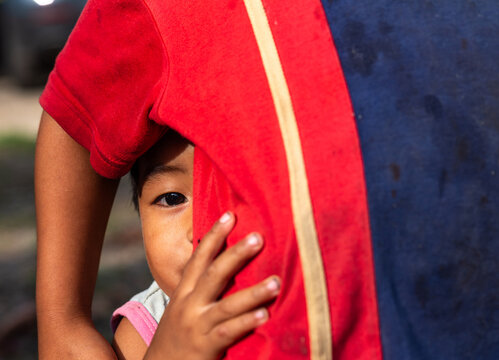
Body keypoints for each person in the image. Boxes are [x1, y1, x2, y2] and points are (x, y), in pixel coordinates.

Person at [36, 0, 499, 359]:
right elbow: (76, 106)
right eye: (171, 198)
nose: (203, 230)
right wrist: (70, 326)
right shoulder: (146, 325)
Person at [110, 130, 280, 359]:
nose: (202, 229)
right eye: (172, 199)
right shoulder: (143, 330)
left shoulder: (295, 295)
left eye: (234, 195)